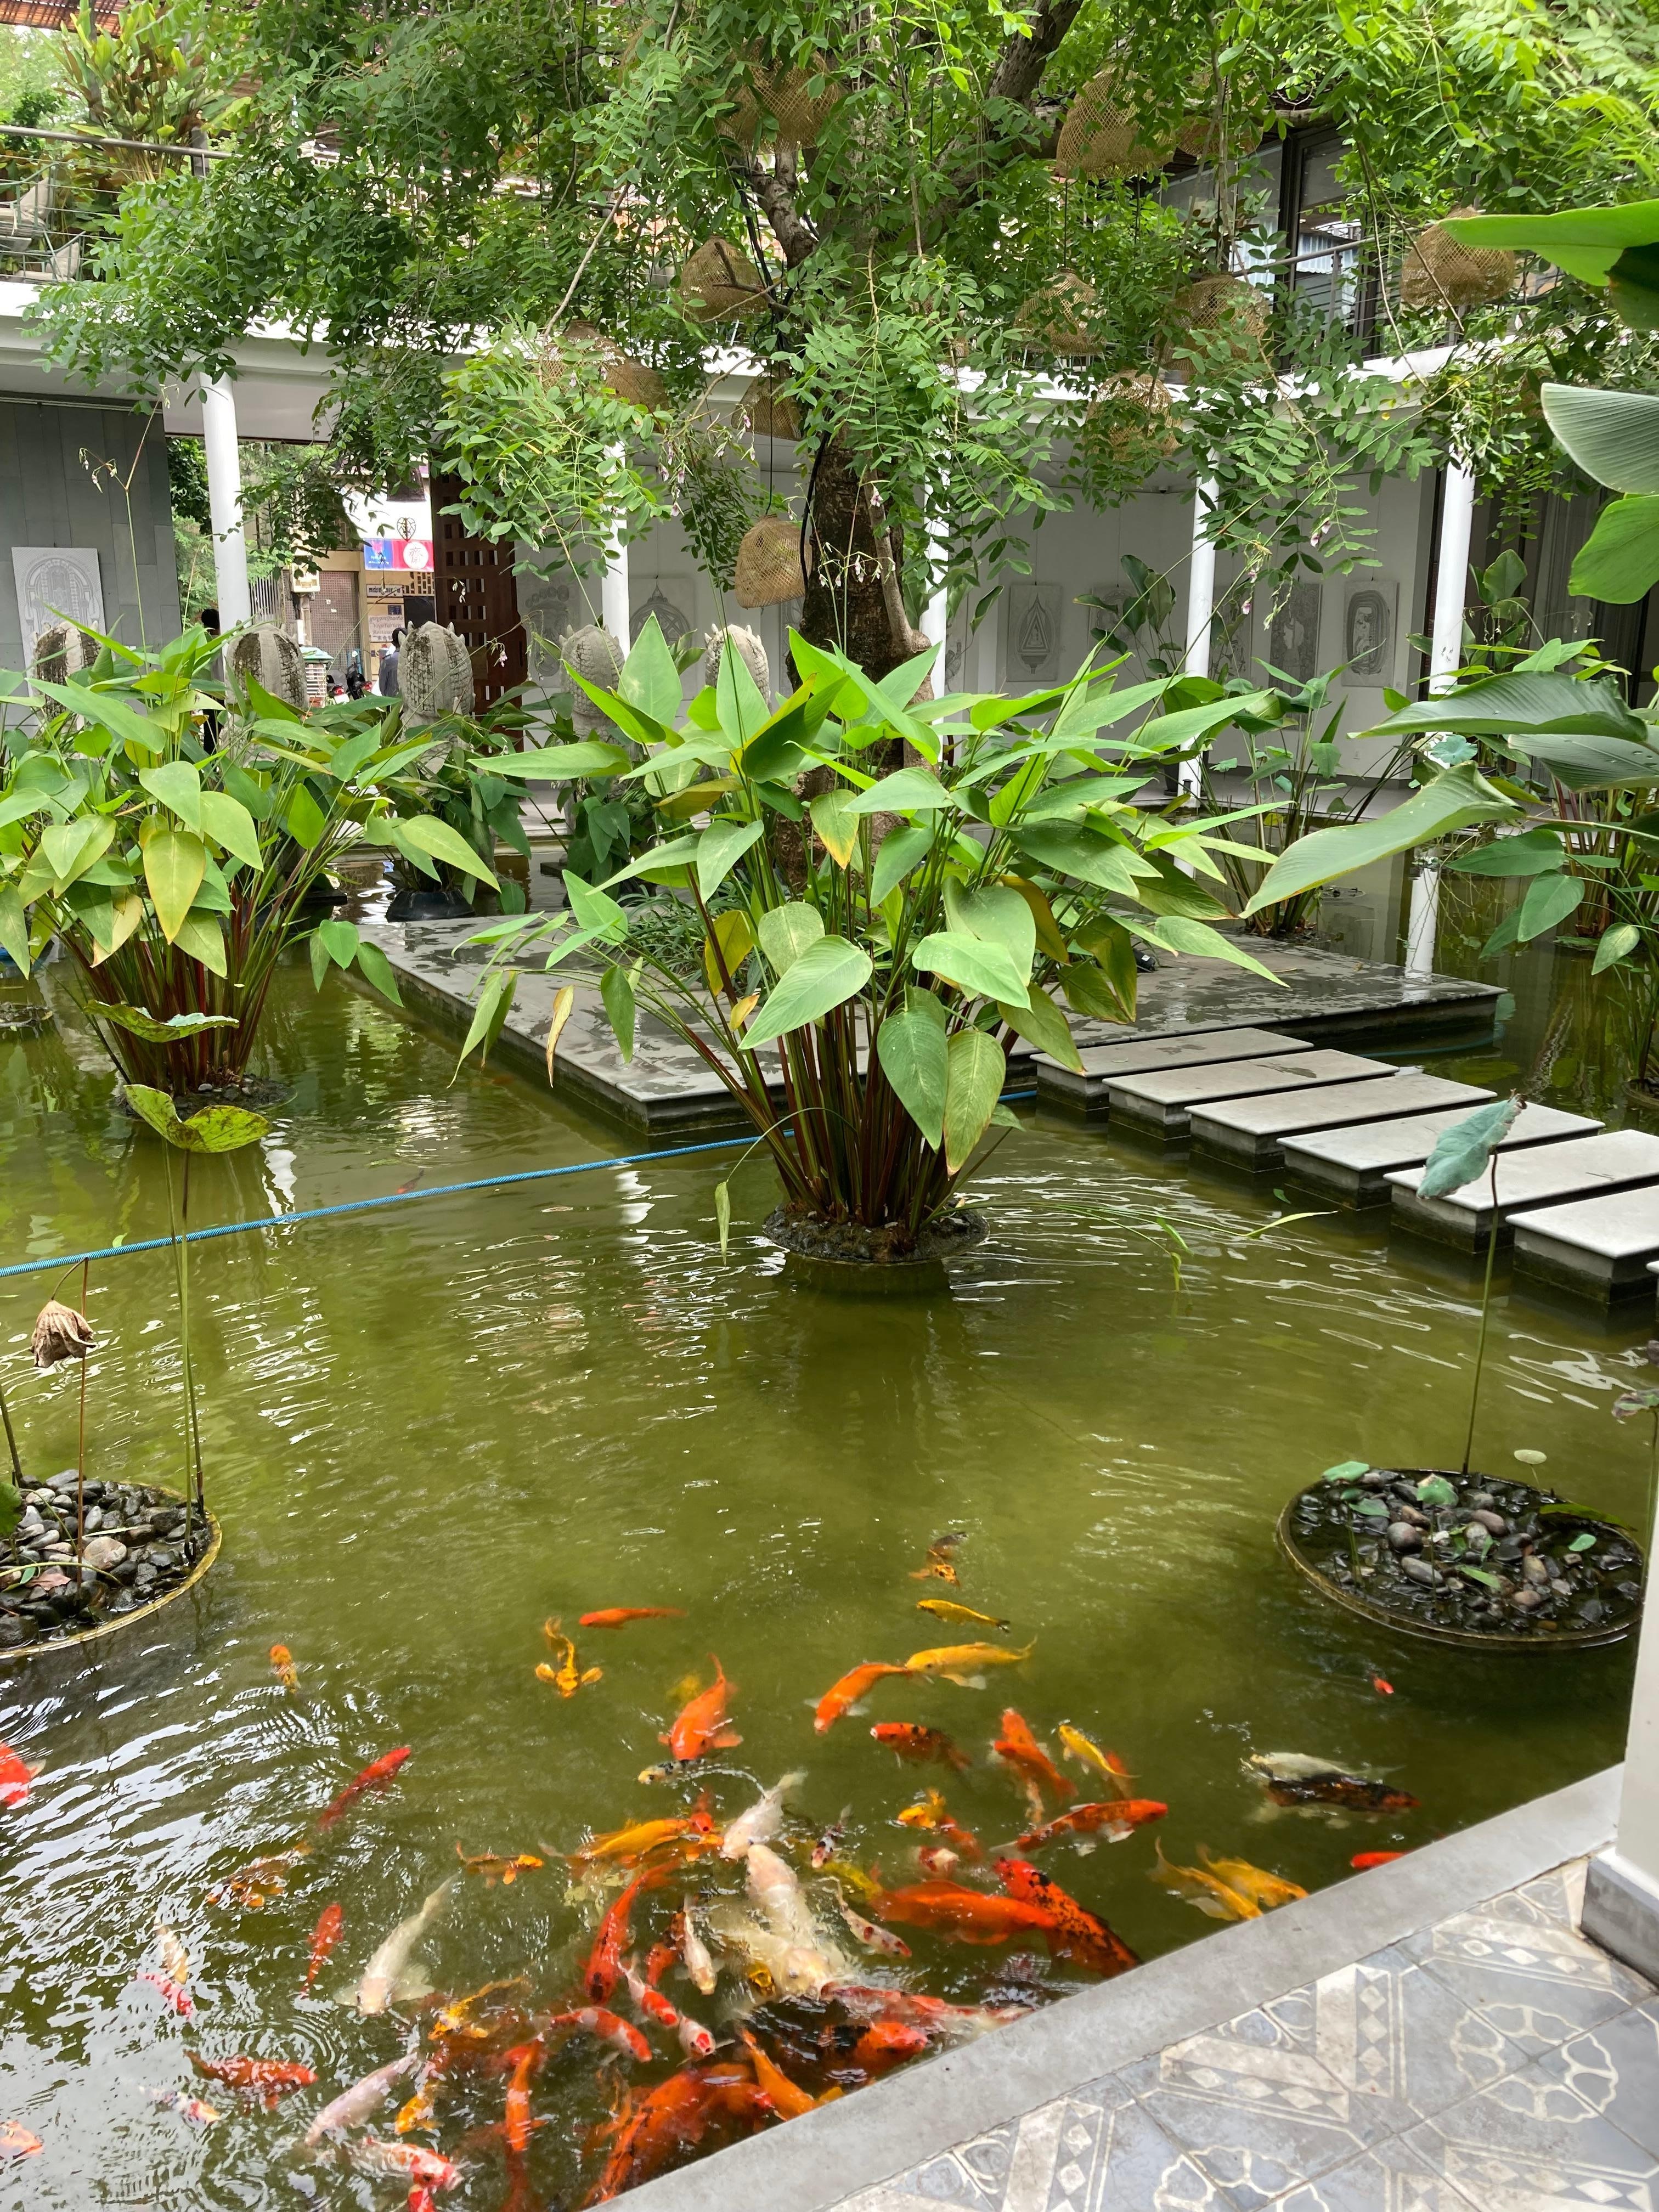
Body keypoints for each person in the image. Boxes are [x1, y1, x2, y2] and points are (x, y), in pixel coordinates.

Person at [379, 626, 403, 697]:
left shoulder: (388, 661)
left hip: (393, 703)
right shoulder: (413, 659)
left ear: (393, 643)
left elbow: (382, 687)